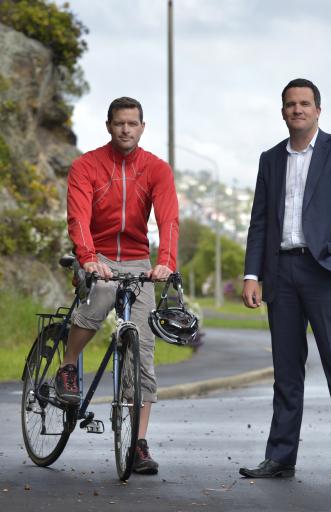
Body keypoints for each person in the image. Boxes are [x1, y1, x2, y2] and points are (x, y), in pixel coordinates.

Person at [240, 78, 331, 484]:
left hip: (325, 273)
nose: (297, 109)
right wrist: (252, 274)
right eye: (290, 104)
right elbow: (260, 220)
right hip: (281, 272)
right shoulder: (270, 159)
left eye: (304, 103)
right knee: (287, 372)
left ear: (318, 109)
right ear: (282, 111)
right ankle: (280, 458)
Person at [55, 96, 179, 475]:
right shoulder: (86, 166)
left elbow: (170, 219)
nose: (126, 129)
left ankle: (139, 444)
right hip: (98, 255)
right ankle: (69, 365)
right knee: (103, 293)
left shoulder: (156, 169)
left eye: (133, 123)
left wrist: (165, 263)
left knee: (142, 346)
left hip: (139, 260)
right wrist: (88, 258)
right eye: (119, 123)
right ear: (109, 126)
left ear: (143, 127)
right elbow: (77, 216)